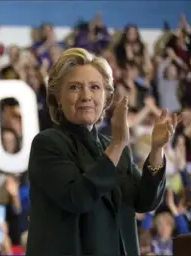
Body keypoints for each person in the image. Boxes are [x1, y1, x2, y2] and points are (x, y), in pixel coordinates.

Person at [26, 48, 181, 256]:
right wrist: (117, 145)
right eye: (74, 87)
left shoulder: (117, 148)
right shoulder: (47, 144)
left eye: (95, 87)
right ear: (57, 98)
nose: (86, 96)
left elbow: (145, 200)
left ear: (106, 97)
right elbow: (78, 197)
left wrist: (157, 149)